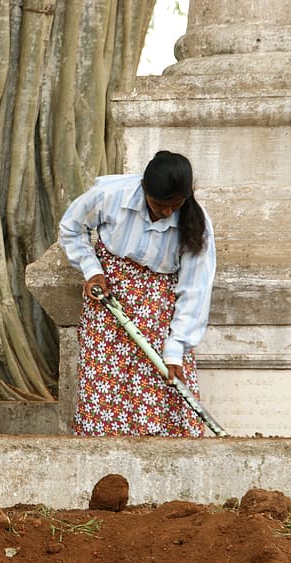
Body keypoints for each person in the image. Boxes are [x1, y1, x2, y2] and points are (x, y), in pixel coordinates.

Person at [58, 150, 216, 437]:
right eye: (159, 204)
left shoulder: (197, 224)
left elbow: (196, 290)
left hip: (158, 311)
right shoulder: (110, 195)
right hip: (108, 303)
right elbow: (72, 228)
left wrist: (175, 351)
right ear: (144, 188)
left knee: (158, 388)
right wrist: (91, 269)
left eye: (175, 205)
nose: (167, 212)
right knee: (105, 386)